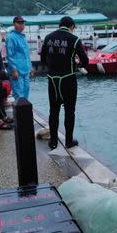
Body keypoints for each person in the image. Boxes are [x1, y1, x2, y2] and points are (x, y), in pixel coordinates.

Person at [41, 16, 89, 149]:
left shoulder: (48, 37)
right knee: (69, 111)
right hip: (68, 79)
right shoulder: (74, 39)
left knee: (53, 111)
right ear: (71, 26)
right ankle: (68, 141)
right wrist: (77, 65)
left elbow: (43, 59)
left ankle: (53, 141)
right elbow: (85, 61)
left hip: (52, 80)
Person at [5, 16, 33, 100]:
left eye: (23, 23)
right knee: (18, 94)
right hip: (17, 71)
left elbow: (26, 54)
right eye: (19, 23)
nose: (21, 25)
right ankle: (19, 112)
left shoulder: (23, 37)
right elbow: (10, 55)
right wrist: (14, 70)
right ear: (14, 24)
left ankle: (24, 111)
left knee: (26, 92)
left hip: (25, 70)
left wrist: (30, 67)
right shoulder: (11, 37)